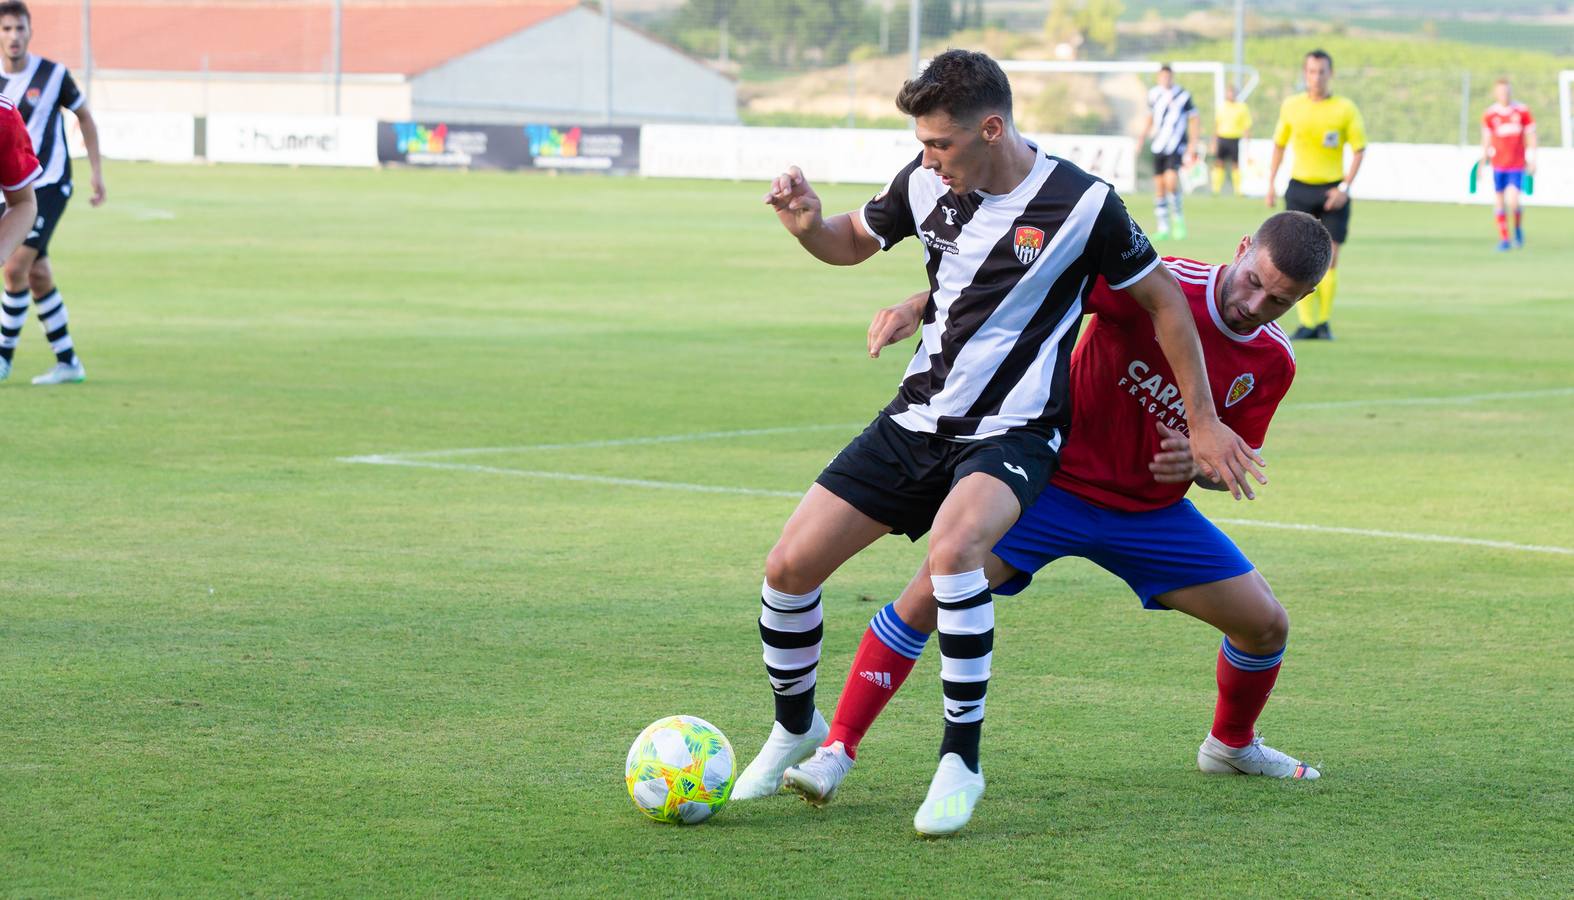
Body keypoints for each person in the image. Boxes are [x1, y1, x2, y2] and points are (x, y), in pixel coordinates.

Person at [736, 49, 1266, 838]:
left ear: (991, 128)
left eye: (941, 144)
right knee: (787, 568)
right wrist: (811, 227)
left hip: (1014, 432)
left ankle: (960, 761)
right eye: (921, 143)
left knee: (954, 554)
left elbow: (1163, 302)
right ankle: (796, 727)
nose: (927, 158)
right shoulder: (925, 182)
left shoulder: (1084, 205)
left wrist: (1200, 418)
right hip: (917, 418)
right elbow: (852, 239)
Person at [781, 212, 1333, 822]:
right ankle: (837, 749)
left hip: (1148, 516)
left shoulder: (1275, 363)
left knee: (1265, 627)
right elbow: (1029, 281)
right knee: (928, 595)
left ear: (1305, 299)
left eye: (1279, 300)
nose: (1255, 304)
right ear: (1241, 247)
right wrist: (920, 302)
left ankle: (1230, 747)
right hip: (1047, 487)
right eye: (1254, 280)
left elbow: (1223, 458)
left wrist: (1198, 465)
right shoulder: (1158, 283)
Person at [0, 0, 104, 385]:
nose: (14, 36)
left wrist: (96, 171)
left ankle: (2, 358)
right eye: (7, 29)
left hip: (50, 185)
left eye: (20, 28)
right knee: (38, 273)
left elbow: (85, 117)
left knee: (14, 267)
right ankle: (68, 360)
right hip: (15, 188)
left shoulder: (54, 74)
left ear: (30, 31)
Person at [1266, 49, 1364, 342]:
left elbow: (1359, 149)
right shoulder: (1292, 106)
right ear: (1304, 74)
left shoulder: (1345, 108)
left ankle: (1323, 322)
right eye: (1311, 71)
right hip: (1299, 188)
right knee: (1298, 258)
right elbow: (1279, 145)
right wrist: (1270, 183)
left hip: (1332, 190)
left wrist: (1344, 188)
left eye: (1322, 71)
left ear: (1330, 74)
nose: (1316, 77)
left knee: (1331, 257)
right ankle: (1307, 323)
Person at [1139, 64, 1199, 240]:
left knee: (1171, 181)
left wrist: (1193, 144)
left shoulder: (1182, 95)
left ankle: (1178, 219)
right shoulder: (1154, 94)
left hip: (1176, 145)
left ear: (1172, 77)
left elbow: (1194, 118)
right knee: (1159, 187)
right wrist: (1142, 136)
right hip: (1158, 145)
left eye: (1168, 77)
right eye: (1162, 77)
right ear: (1159, 77)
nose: (1165, 79)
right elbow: (1150, 117)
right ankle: (1163, 226)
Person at [1481, 77, 1536, 252]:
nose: (1504, 94)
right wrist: (1482, 163)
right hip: (1498, 164)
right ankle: (1504, 239)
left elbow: (1531, 135)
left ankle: (1518, 228)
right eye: (1501, 91)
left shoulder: (1521, 111)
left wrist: (1533, 158)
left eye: (1507, 91)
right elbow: (1486, 140)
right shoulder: (1490, 114)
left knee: (1513, 201)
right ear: (1496, 93)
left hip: (1517, 163)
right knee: (1499, 201)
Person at [1211, 83, 1251, 196]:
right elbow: (1216, 125)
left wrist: (1248, 141)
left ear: (1236, 94)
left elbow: (1247, 126)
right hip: (1222, 138)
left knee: (1235, 165)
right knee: (1219, 163)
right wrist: (1214, 141)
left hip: (1234, 139)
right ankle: (1216, 190)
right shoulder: (1222, 107)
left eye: (1232, 92)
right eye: (1228, 92)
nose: (1230, 95)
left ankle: (1238, 191)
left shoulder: (1242, 108)